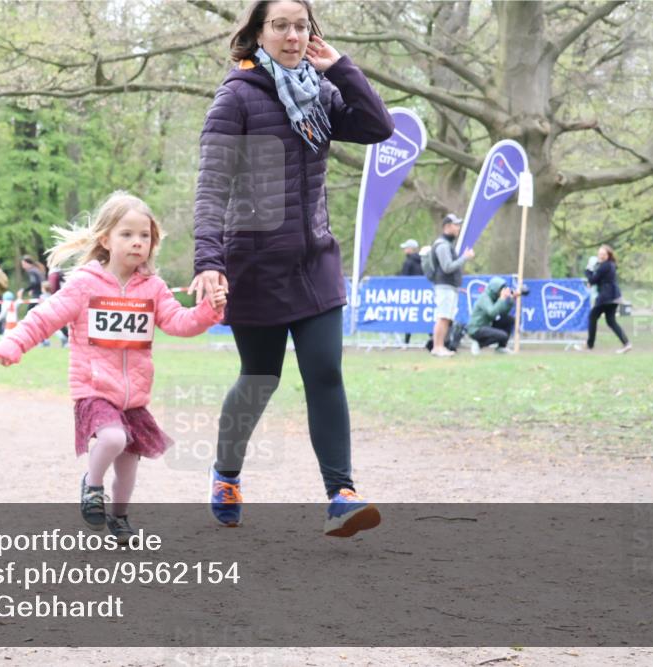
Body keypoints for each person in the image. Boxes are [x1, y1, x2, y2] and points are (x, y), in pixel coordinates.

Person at [190, 0, 394, 537]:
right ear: (259, 33)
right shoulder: (236, 97)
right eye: (280, 25)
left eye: (301, 26)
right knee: (260, 380)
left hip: (315, 261)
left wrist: (342, 67)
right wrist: (209, 261)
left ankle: (341, 494)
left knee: (324, 372)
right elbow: (211, 187)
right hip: (255, 265)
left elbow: (378, 127)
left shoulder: (321, 92)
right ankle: (226, 475)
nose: (292, 35)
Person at [0, 191, 226, 544]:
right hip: (95, 389)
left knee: (129, 465)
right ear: (106, 239)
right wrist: (15, 342)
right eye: (127, 234)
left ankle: (119, 519)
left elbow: (179, 322)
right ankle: (92, 484)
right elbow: (45, 316)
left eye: (145, 236)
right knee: (113, 438)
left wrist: (208, 310)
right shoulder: (85, 284)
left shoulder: (153, 288)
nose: (137, 242)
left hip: (133, 397)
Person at [427, 213, 474, 358]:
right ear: (447, 227)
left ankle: (440, 346)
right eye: (456, 225)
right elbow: (447, 267)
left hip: (449, 286)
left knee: (446, 317)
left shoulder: (446, 244)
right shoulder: (442, 245)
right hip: (444, 286)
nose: (458, 228)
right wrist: (464, 258)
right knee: (443, 316)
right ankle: (437, 347)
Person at [585, 244, 631, 353]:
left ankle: (589, 345)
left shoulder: (605, 266)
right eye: (599, 254)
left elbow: (593, 280)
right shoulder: (611, 265)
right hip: (614, 296)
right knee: (611, 321)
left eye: (603, 254)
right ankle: (626, 343)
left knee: (592, 317)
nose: (601, 256)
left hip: (606, 297)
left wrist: (588, 270)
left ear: (608, 255)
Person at [467, 277, 521, 355]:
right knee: (503, 335)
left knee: (509, 319)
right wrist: (502, 298)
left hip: (487, 325)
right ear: (495, 289)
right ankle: (479, 343)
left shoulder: (495, 298)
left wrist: (511, 300)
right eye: (501, 289)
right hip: (476, 329)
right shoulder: (484, 298)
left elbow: (503, 313)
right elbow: (492, 312)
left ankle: (501, 347)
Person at [398, 238, 423, 345]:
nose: (404, 250)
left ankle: (406, 341)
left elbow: (404, 279)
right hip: (421, 293)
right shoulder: (423, 261)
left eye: (406, 248)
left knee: (409, 316)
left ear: (410, 249)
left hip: (409, 293)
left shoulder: (408, 262)